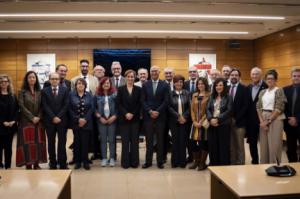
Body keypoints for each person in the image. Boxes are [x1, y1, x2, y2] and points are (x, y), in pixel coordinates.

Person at [16, 71, 47, 169]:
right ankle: (28, 164)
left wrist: (38, 116)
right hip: (26, 121)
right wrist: (32, 117)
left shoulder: (40, 92)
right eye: (30, 77)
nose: (32, 79)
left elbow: (43, 106)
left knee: (38, 142)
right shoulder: (22, 92)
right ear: (27, 79)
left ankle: (36, 163)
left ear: (36, 79)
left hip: (39, 121)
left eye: (34, 77)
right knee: (27, 143)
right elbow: (21, 106)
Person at [142, 66, 169, 169]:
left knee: (160, 140)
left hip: (160, 117)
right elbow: (143, 100)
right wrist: (149, 111)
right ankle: (148, 161)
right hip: (148, 117)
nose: (154, 73)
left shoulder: (165, 85)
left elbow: (166, 101)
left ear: (159, 72)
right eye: (152, 71)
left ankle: (160, 161)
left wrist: (157, 111)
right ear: (150, 72)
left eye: (155, 71)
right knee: (148, 140)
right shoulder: (145, 84)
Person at [257, 69, 287, 164]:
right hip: (263, 117)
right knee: (264, 146)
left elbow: (279, 107)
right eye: (268, 78)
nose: (269, 80)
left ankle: (274, 166)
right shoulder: (263, 92)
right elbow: (258, 107)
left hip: (275, 118)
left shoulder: (279, 90)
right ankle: (264, 166)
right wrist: (262, 122)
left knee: (274, 145)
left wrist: (268, 121)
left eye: (272, 78)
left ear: (275, 80)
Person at [42, 72, 69, 169]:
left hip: (62, 121)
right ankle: (52, 162)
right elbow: (45, 106)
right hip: (49, 121)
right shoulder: (44, 91)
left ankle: (62, 163)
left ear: (59, 80)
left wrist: (58, 117)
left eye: (56, 79)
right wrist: (53, 117)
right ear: (49, 80)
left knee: (62, 143)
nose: (54, 80)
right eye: (52, 79)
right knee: (51, 143)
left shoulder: (65, 90)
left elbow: (66, 105)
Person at [117, 70, 142, 169]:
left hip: (135, 119)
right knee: (125, 141)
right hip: (124, 119)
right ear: (125, 77)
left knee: (135, 141)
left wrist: (132, 113)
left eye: (132, 77)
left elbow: (140, 103)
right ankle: (125, 162)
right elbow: (118, 103)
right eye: (129, 76)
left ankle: (135, 162)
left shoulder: (139, 89)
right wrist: (126, 113)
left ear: (135, 78)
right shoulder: (120, 89)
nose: (130, 78)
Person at [69, 78, 94, 170]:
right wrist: (78, 119)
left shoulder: (89, 95)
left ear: (85, 86)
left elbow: (92, 108)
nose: (80, 85)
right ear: (75, 85)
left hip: (87, 123)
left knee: (85, 143)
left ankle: (85, 161)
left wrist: (85, 119)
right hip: (76, 123)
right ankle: (78, 161)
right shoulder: (71, 95)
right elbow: (69, 109)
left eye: (82, 84)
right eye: (78, 83)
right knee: (77, 143)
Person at [206, 78, 232, 166]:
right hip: (212, 125)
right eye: (216, 85)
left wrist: (218, 119)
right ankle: (214, 166)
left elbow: (229, 111)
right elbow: (208, 109)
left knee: (223, 147)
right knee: (213, 147)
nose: (218, 87)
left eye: (220, 85)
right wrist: (210, 119)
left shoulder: (228, 97)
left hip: (223, 125)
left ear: (224, 86)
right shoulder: (211, 96)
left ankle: (223, 166)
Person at [168, 75, 190, 168]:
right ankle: (174, 162)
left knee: (183, 141)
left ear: (183, 83)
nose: (179, 83)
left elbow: (190, 107)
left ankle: (182, 162)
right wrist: (178, 117)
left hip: (185, 121)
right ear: (174, 83)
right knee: (175, 141)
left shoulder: (187, 93)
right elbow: (168, 107)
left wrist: (184, 117)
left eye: (181, 82)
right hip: (174, 121)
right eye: (177, 82)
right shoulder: (170, 93)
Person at [246, 67, 267, 164]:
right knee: (252, 142)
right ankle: (255, 161)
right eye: (253, 74)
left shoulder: (266, 86)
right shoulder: (249, 87)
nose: (254, 76)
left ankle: (265, 161)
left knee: (264, 142)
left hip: (264, 119)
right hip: (251, 121)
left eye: (257, 74)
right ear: (250, 75)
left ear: (261, 75)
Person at [95, 77, 118, 167]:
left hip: (112, 120)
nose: (106, 84)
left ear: (110, 84)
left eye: (108, 83)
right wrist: (100, 117)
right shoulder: (97, 95)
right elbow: (94, 108)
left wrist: (114, 116)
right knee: (103, 140)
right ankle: (104, 158)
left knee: (112, 140)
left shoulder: (115, 94)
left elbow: (118, 107)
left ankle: (112, 158)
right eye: (104, 83)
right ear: (101, 84)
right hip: (101, 120)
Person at [189, 77, 210, 170]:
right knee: (192, 143)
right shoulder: (194, 95)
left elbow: (209, 110)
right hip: (195, 124)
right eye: (199, 84)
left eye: (202, 83)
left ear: (205, 84)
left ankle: (202, 163)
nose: (200, 85)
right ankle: (196, 162)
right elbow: (192, 110)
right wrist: (194, 121)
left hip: (204, 123)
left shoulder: (209, 95)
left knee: (203, 143)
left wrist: (201, 121)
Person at [229, 68, 249, 165]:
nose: (234, 77)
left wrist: (236, 118)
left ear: (239, 77)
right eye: (232, 75)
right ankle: (232, 162)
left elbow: (246, 106)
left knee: (240, 145)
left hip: (240, 122)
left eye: (236, 75)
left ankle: (240, 163)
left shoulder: (244, 89)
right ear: (229, 76)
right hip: (227, 122)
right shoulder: (226, 88)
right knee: (231, 145)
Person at [0, 74, 18, 169]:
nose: (4, 83)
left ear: (8, 83)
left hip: (10, 126)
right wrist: (3, 121)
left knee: (8, 148)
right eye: (1, 81)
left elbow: (16, 110)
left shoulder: (13, 96)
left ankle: (8, 166)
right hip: (0, 126)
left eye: (5, 81)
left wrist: (14, 121)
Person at [283, 68, 300, 162]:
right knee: (291, 149)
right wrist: (290, 119)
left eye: (298, 76)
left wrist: (297, 119)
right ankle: (293, 166)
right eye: (294, 76)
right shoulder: (285, 90)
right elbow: (283, 107)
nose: (296, 78)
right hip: (289, 125)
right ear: (291, 77)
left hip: (299, 123)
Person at [183, 66, 198, 163]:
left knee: (199, 139)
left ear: (197, 73)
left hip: (199, 116)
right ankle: (190, 156)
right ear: (188, 73)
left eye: (194, 71)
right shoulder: (184, 84)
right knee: (189, 138)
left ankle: (199, 158)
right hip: (188, 117)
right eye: (190, 71)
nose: (192, 73)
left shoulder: (201, 83)